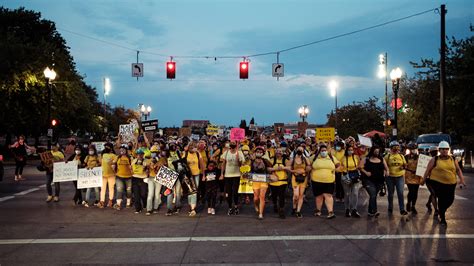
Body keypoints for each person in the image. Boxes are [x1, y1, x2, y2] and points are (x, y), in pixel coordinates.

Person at [422, 141, 466, 226]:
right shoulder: (434, 159)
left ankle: (442, 210)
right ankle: (443, 218)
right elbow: (427, 171)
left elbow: (458, 170)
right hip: (438, 183)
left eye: (446, 149)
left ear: (448, 150)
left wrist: (462, 180)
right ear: (439, 150)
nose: (445, 151)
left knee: (450, 200)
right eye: (443, 149)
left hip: (451, 184)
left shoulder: (453, 159)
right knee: (441, 200)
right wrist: (423, 180)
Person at [310, 144, 340, 219]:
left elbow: (338, 164)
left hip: (329, 180)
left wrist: (337, 169)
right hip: (316, 180)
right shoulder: (314, 157)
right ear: (319, 151)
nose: (324, 152)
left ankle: (330, 212)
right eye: (322, 150)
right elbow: (307, 163)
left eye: (325, 150)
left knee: (328, 195)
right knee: (318, 196)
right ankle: (318, 211)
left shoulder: (331, 157)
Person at [359, 146, 389, 217]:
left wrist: (387, 172)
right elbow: (360, 167)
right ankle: (375, 211)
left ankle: (370, 211)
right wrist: (366, 172)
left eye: (378, 152)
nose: (377, 153)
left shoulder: (381, 159)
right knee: (372, 195)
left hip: (379, 181)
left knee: (373, 196)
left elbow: (386, 167)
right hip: (368, 180)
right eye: (375, 151)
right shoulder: (366, 158)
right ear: (372, 151)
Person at [220, 140, 245, 216]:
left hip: (236, 175)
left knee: (235, 192)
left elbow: (242, 165)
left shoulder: (239, 153)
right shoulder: (226, 152)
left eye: (234, 143)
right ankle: (230, 207)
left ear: (236, 144)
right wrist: (221, 174)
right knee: (229, 193)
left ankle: (236, 206)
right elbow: (223, 164)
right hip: (228, 175)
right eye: (231, 143)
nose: (232, 144)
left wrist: (238, 160)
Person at [384, 141, 408, 216]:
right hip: (390, 177)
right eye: (394, 147)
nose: (396, 148)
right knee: (390, 194)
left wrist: (403, 167)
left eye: (397, 147)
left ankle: (402, 209)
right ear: (391, 148)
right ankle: (390, 207)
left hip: (400, 177)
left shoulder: (401, 156)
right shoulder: (387, 156)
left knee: (400, 193)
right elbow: (384, 166)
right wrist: (386, 172)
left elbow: (405, 165)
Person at [183, 141, 205, 217]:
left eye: (195, 147)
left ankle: (193, 208)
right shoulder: (185, 153)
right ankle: (190, 206)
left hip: (196, 174)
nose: (194, 149)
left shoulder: (198, 154)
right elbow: (182, 164)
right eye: (192, 148)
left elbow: (202, 165)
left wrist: (203, 175)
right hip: (188, 175)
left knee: (194, 191)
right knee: (190, 191)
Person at [251, 146, 273, 220]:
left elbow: (271, 166)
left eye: (260, 152)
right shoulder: (252, 161)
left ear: (263, 153)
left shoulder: (265, 160)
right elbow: (248, 169)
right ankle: (256, 205)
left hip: (264, 180)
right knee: (256, 198)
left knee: (262, 197)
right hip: (255, 180)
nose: (259, 153)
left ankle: (261, 213)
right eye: (257, 152)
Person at [289, 145, 310, 218]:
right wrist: (295, 171)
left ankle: (298, 211)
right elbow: (288, 168)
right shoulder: (293, 159)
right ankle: (294, 207)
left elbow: (309, 167)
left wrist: (305, 170)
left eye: (301, 150)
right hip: (295, 178)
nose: (300, 151)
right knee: (296, 195)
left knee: (301, 195)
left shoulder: (305, 159)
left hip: (303, 178)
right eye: (298, 149)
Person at [341, 145, 362, 218]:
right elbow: (340, 167)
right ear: (346, 150)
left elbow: (360, 165)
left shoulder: (356, 157)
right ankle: (347, 209)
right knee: (347, 194)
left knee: (355, 193)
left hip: (355, 176)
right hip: (346, 176)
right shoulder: (343, 158)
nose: (350, 151)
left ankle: (354, 209)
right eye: (349, 150)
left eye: (352, 150)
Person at [268, 148, 290, 219]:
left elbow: (289, 167)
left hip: (283, 181)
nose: (278, 153)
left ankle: (281, 210)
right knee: (274, 195)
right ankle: (275, 204)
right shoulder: (272, 160)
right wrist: (276, 169)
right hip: (273, 182)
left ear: (282, 152)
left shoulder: (285, 160)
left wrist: (283, 167)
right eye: (277, 151)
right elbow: (268, 169)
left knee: (281, 196)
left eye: (280, 151)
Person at [146, 148, 167, 216]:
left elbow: (166, 168)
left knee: (157, 194)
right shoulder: (149, 160)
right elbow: (146, 169)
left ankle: (155, 207)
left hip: (159, 178)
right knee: (150, 194)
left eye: (154, 152)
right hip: (151, 178)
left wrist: (161, 166)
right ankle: (149, 209)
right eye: (152, 152)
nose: (153, 153)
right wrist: (150, 165)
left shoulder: (162, 159)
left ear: (158, 152)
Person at [405, 142, 422, 214]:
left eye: (414, 149)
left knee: (415, 192)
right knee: (411, 191)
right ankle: (409, 202)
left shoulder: (419, 157)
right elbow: (403, 166)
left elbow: (422, 166)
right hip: (409, 175)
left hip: (417, 175)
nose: (412, 150)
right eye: (411, 149)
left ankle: (413, 206)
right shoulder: (405, 157)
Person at [98, 142, 117, 208]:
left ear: (111, 148)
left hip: (111, 175)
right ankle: (102, 201)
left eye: (108, 146)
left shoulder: (114, 156)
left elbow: (115, 164)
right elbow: (100, 163)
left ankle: (110, 200)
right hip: (103, 175)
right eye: (105, 146)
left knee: (111, 188)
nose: (106, 148)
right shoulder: (102, 155)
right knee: (102, 189)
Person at [114, 145, 133, 210]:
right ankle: (118, 205)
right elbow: (113, 164)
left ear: (126, 151)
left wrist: (131, 168)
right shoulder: (117, 157)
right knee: (119, 190)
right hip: (119, 177)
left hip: (129, 177)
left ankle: (128, 203)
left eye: (123, 150)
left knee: (129, 191)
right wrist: (113, 166)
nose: (122, 151)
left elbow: (133, 166)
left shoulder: (130, 158)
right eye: (121, 150)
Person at [131, 149, 148, 214]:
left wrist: (145, 169)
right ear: (136, 155)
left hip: (143, 178)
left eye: (141, 154)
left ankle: (144, 203)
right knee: (136, 195)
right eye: (138, 154)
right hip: (135, 178)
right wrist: (131, 170)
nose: (139, 156)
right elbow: (131, 169)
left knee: (143, 194)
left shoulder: (146, 161)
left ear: (143, 155)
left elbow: (148, 170)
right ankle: (137, 208)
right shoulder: (133, 161)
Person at [425, 146, 439, 214]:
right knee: (434, 193)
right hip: (428, 179)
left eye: (435, 152)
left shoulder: (439, 159)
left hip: (436, 179)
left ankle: (428, 203)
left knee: (434, 193)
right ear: (430, 153)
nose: (434, 153)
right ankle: (436, 210)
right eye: (433, 152)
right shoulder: (426, 160)